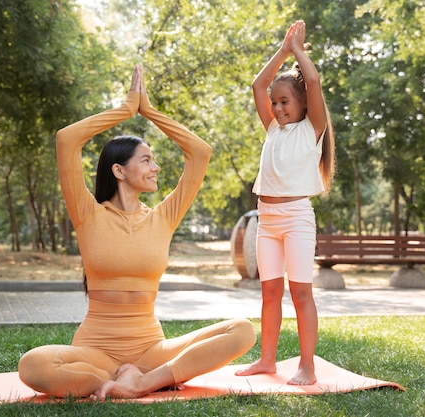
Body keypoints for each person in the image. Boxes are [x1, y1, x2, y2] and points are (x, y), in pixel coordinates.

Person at [18, 64, 256, 400]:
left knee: (242, 330)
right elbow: (66, 139)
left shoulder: (164, 216)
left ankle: (141, 382)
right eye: (145, 160)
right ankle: (108, 384)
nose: (155, 167)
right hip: (96, 352)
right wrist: (125, 110)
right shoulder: (88, 214)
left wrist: (151, 111)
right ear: (119, 170)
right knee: (33, 365)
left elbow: (199, 152)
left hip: (150, 352)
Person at [235, 20, 335, 385]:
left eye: (284, 102)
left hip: (295, 218)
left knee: (300, 293)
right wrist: (282, 50)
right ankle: (267, 360)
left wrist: (298, 51)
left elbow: (313, 82)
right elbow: (257, 85)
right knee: (270, 292)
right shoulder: (273, 128)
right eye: (274, 103)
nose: (276, 108)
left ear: (303, 105)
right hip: (267, 218)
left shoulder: (312, 129)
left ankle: (306, 365)